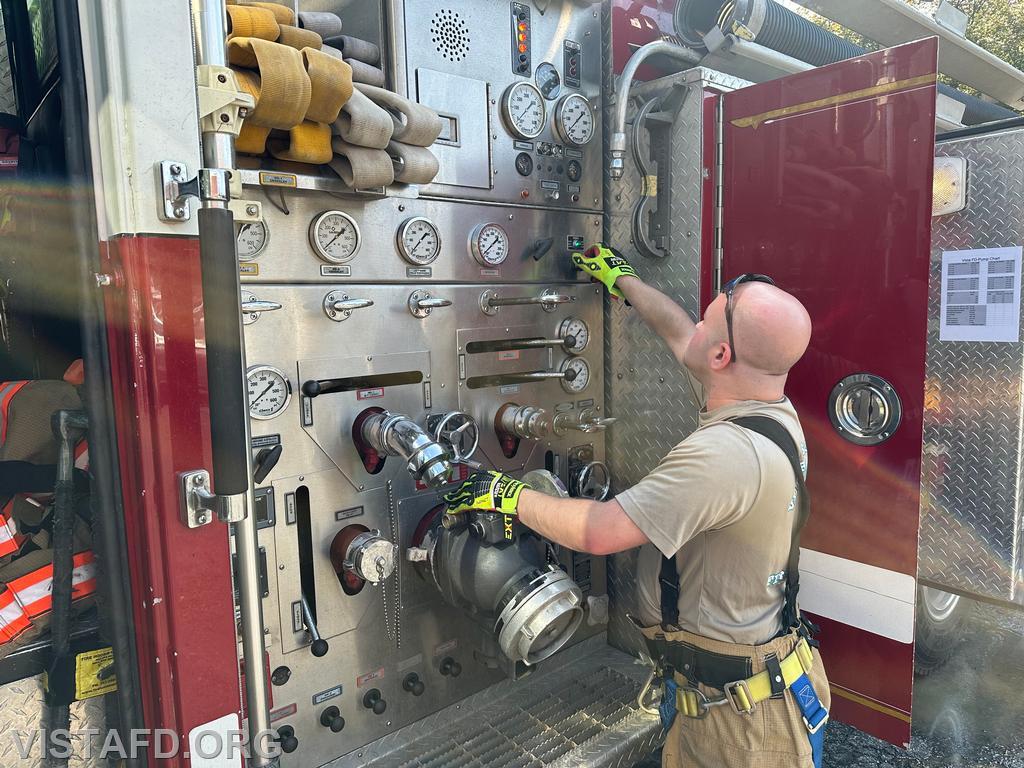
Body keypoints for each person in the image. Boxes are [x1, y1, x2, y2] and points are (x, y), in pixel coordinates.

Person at [443, 245, 829, 768]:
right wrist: (622, 279)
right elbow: (678, 331)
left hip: (738, 726)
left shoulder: (725, 455)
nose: (696, 324)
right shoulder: (763, 405)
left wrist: (507, 495)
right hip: (744, 687)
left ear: (721, 357)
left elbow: (600, 531)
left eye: (711, 319)